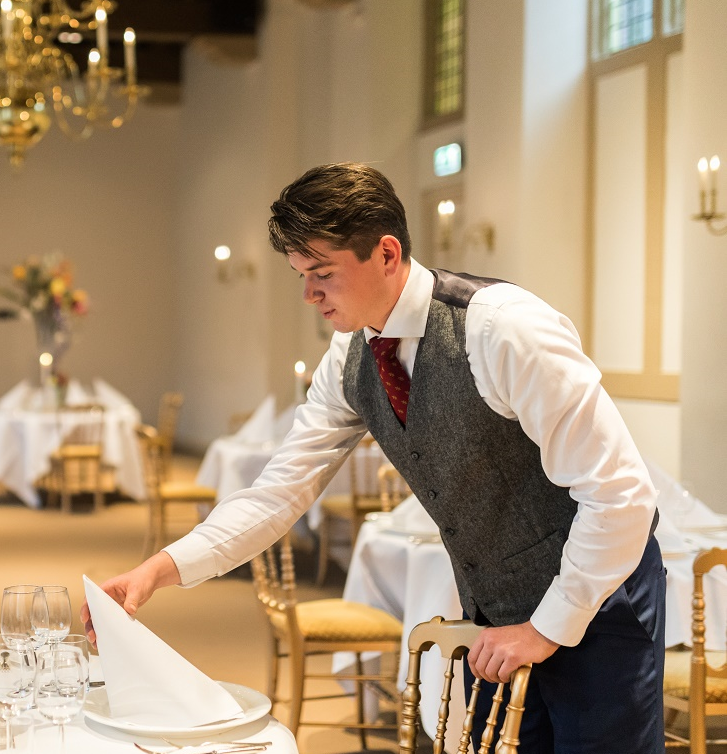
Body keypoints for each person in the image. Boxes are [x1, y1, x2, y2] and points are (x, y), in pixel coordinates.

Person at [84, 163, 665, 753]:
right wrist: (156, 570)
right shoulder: (349, 358)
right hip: (494, 613)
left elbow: (620, 494)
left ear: (386, 253)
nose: (309, 294)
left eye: (322, 273)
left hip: (600, 598)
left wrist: (545, 628)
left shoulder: (503, 329)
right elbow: (278, 493)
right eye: (300, 274)